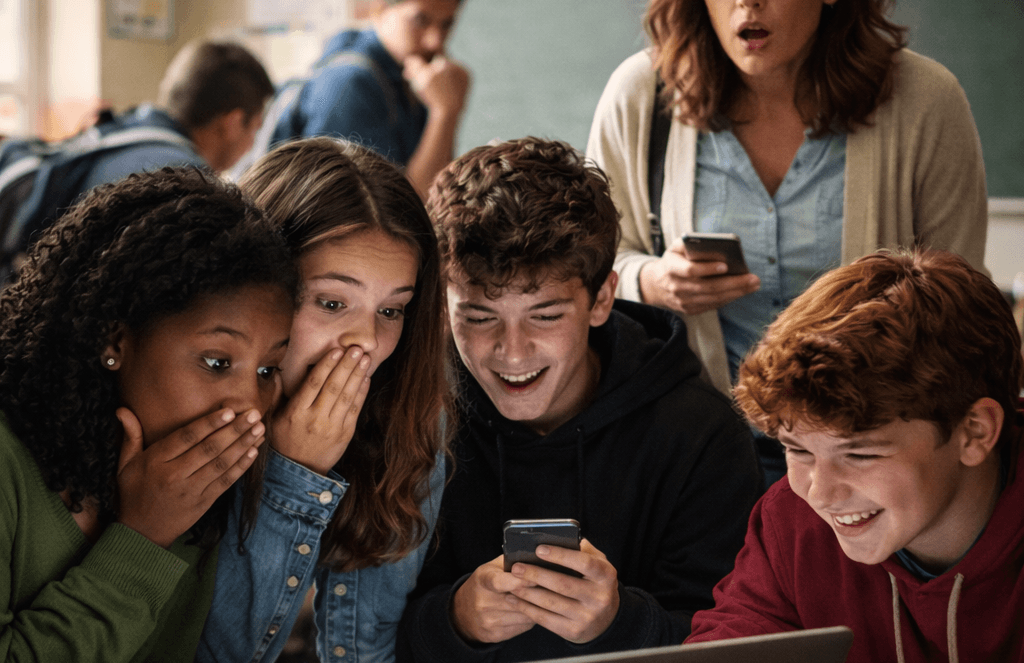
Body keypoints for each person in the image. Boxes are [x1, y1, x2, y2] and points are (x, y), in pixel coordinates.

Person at [586, 0, 989, 486]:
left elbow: (961, 303)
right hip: (697, 457)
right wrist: (654, 281)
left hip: (867, 457)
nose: (746, 4)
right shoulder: (642, 95)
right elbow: (593, 267)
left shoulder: (926, 99)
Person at [396, 137, 761, 663]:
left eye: (545, 316)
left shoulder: (701, 434)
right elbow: (355, 631)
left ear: (603, 299)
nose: (511, 351)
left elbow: (735, 641)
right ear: (441, 304)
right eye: (478, 317)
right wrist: (453, 621)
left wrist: (620, 624)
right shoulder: (409, 419)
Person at [0, 167, 298, 661]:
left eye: (269, 369)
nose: (248, 407)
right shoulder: (9, 463)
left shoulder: (204, 492)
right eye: (217, 362)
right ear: (115, 340)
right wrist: (141, 539)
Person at [687, 249, 1024, 662]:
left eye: (860, 454)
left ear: (974, 433)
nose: (821, 494)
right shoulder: (792, 521)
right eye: (797, 450)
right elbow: (727, 644)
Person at [197, 137, 454, 663]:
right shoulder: (185, 403)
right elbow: (219, 653)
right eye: (332, 302)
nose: (365, 340)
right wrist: (294, 474)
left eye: (391, 311)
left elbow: (364, 646)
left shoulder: (406, 413)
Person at [263, 0, 470, 197]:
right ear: (379, 8)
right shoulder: (349, 84)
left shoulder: (410, 76)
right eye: (420, 20)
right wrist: (444, 113)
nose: (435, 41)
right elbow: (402, 214)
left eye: (447, 24)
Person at [83, 39, 274, 188]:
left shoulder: (122, 134)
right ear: (233, 122)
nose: (252, 145)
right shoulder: (186, 181)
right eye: (255, 128)